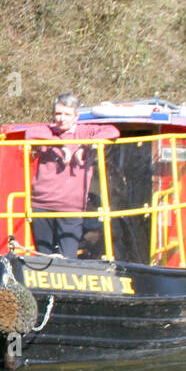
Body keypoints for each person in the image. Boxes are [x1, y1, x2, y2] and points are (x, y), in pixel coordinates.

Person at [22, 94, 120, 258]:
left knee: (68, 257)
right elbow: (29, 134)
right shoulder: (46, 132)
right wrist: (59, 145)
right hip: (41, 205)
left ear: (76, 116)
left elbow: (112, 131)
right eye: (58, 114)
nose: (62, 119)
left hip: (71, 207)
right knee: (43, 257)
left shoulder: (86, 132)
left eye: (67, 114)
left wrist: (84, 146)